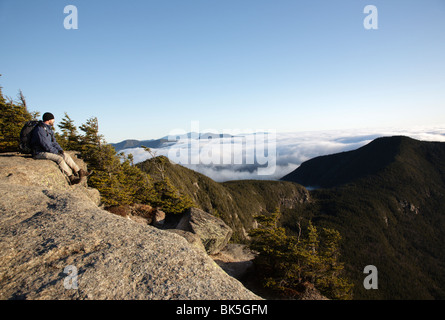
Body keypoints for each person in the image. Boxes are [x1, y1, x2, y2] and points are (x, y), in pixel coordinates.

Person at [30, 112, 89, 185]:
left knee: (65, 155)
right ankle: (71, 177)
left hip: (46, 150)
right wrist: (56, 152)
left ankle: (79, 171)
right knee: (59, 159)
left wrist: (60, 150)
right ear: (49, 120)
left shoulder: (48, 129)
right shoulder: (40, 130)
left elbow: (54, 142)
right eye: (53, 119)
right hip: (39, 152)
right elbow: (45, 145)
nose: (54, 121)